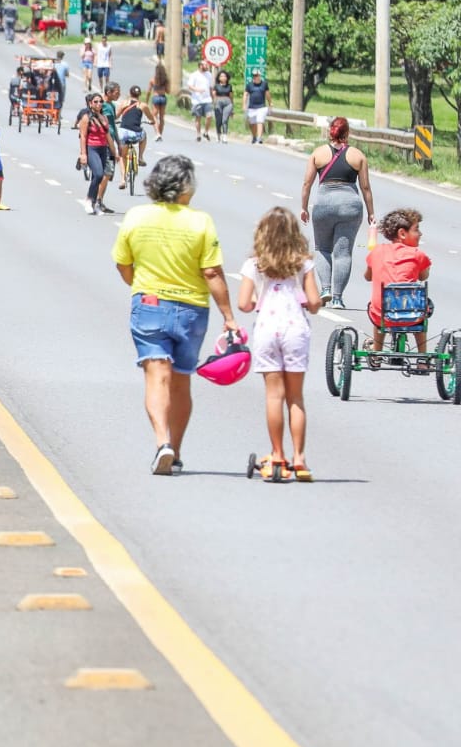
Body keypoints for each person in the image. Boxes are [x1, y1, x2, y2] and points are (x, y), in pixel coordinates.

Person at [112, 155, 239, 475]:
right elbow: (211, 272)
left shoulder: (136, 217)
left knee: (157, 376)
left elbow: (123, 265)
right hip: (192, 311)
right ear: (186, 187)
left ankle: (162, 443)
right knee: (181, 381)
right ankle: (176, 451)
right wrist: (228, 316)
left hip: (150, 305)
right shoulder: (201, 222)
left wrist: (141, 286)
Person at [237, 207, 323, 482]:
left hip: (267, 329)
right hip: (295, 329)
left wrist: (257, 301)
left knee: (274, 396)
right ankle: (299, 458)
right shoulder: (304, 264)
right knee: (295, 397)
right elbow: (314, 302)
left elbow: (244, 303)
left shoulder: (254, 264)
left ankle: (277, 454)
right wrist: (308, 302)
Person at [300, 117, 375, 309]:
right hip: (350, 206)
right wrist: (371, 213)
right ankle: (338, 298)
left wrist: (304, 207)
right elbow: (366, 188)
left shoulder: (317, 154)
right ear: (347, 133)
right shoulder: (358, 156)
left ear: (330, 132)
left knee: (322, 248)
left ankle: (325, 289)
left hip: (324, 204)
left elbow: (307, 184)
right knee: (343, 253)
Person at [364, 208, 432, 354]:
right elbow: (423, 276)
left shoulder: (377, 251)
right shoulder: (418, 254)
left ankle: (376, 351)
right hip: (413, 316)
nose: (420, 234)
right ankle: (422, 356)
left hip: (382, 315)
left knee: (380, 306)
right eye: (416, 229)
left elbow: (368, 276)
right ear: (402, 233)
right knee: (422, 307)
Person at [77, 93, 116, 216]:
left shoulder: (104, 118)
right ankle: (89, 199)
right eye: (96, 102)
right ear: (90, 103)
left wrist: (115, 152)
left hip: (103, 149)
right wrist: (83, 154)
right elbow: (83, 136)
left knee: (97, 177)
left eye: (100, 102)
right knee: (99, 174)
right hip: (91, 148)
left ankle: (93, 204)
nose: (99, 104)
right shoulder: (86, 118)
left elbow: (108, 136)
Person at [186, 62, 214, 142]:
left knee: (209, 116)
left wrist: (212, 97)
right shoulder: (194, 75)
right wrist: (198, 90)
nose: (207, 66)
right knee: (198, 117)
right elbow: (190, 86)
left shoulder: (209, 75)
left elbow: (210, 87)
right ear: (200, 66)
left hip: (207, 99)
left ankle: (206, 132)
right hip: (197, 100)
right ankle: (198, 134)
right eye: (205, 65)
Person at [244, 71, 271, 144]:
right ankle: (254, 136)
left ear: (260, 76)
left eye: (257, 75)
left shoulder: (264, 84)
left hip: (261, 107)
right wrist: (244, 104)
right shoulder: (249, 85)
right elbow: (245, 94)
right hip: (252, 107)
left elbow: (267, 94)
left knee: (260, 121)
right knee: (252, 123)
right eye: (254, 75)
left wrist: (270, 103)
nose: (255, 77)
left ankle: (259, 138)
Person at [212, 69, 235, 143]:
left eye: (225, 76)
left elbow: (231, 96)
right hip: (218, 102)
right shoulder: (216, 86)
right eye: (221, 76)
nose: (223, 78)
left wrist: (232, 108)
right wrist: (214, 103)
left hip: (227, 103)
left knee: (225, 120)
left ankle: (225, 136)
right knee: (218, 120)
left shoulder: (229, 86)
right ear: (219, 78)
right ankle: (218, 134)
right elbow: (214, 95)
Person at [149, 59, 170, 140]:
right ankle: (160, 133)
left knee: (154, 116)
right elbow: (168, 91)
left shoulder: (153, 80)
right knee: (161, 117)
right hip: (163, 97)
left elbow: (148, 91)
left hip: (156, 97)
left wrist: (146, 100)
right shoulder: (165, 80)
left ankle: (157, 133)